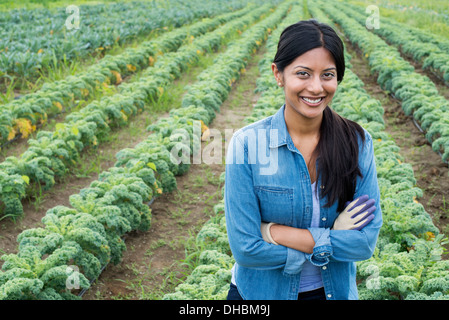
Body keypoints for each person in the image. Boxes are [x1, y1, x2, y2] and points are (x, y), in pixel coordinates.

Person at [224, 19, 382, 300]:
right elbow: (246, 249)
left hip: (331, 293)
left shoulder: (357, 143)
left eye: (328, 75)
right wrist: (330, 238)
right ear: (278, 74)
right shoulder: (247, 146)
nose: (316, 87)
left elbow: (363, 243)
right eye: (303, 73)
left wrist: (274, 232)